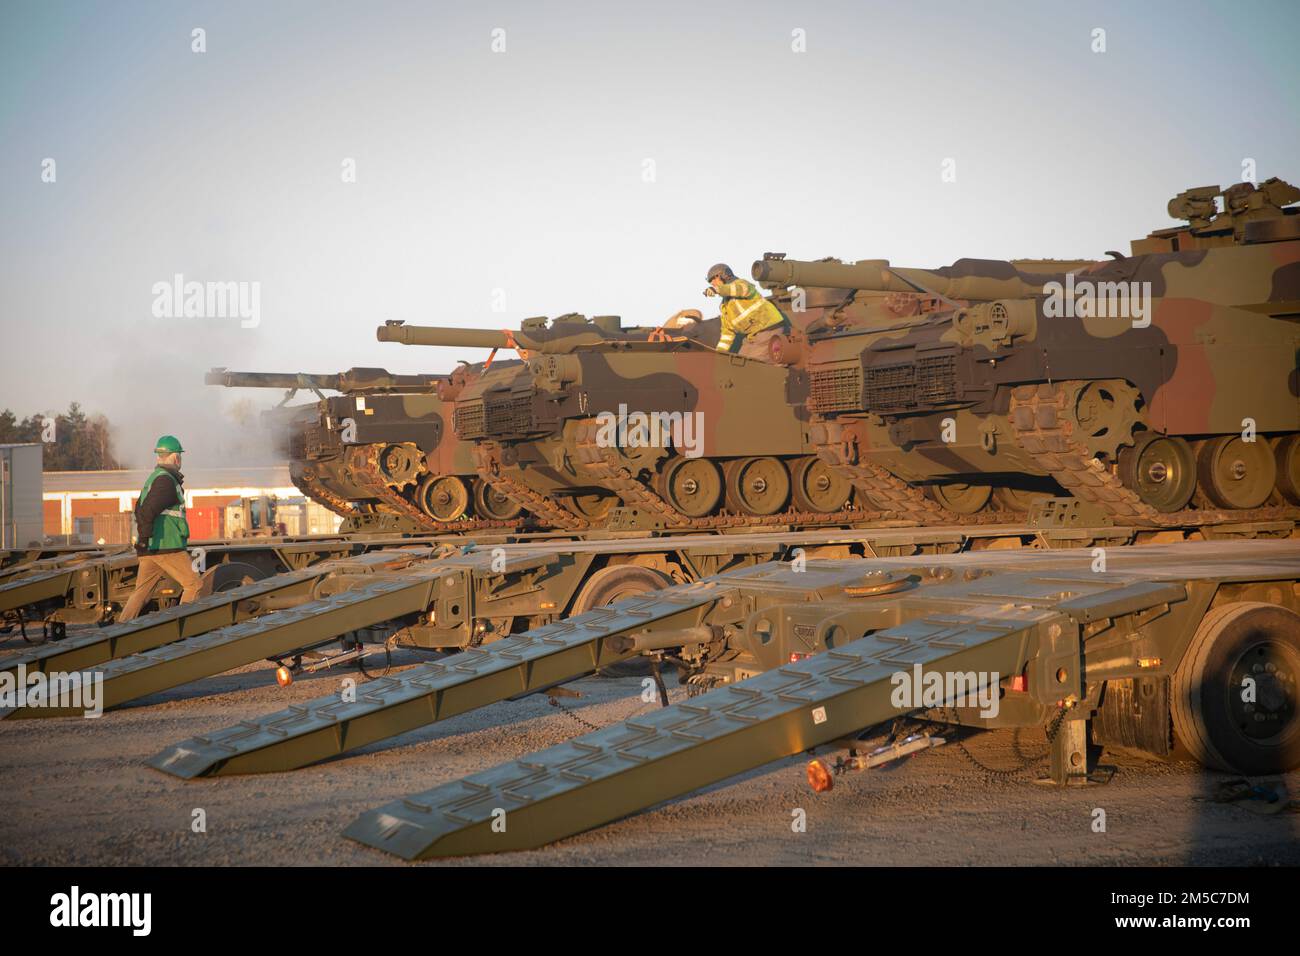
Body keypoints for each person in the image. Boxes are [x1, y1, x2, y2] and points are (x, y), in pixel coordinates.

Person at [118, 435, 202, 622]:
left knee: (141, 593)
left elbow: (139, 509)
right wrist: (145, 537)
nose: (180, 459)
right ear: (174, 457)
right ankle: (182, 628)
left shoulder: (155, 478)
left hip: (152, 547)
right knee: (194, 584)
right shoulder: (166, 481)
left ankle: (120, 629)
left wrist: (143, 540)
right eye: (179, 454)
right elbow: (147, 511)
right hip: (166, 545)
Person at [703, 263, 790, 361]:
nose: (713, 283)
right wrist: (718, 354)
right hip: (752, 337)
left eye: (714, 279)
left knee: (753, 365)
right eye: (711, 282)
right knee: (739, 363)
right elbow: (727, 334)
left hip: (768, 329)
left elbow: (741, 290)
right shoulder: (725, 306)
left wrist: (717, 290)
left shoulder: (741, 284)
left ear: (725, 275)